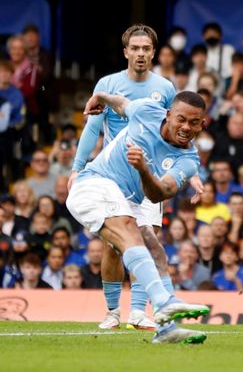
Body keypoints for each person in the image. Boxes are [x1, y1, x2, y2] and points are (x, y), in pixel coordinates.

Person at [67, 90, 210, 344]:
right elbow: (122, 104)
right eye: (181, 119)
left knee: (155, 249)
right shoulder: (146, 110)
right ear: (168, 115)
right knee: (129, 231)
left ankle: (167, 329)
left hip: (129, 199)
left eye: (194, 122)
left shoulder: (188, 160)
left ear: (203, 123)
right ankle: (163, 302)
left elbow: (159, 194)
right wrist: (101, 96)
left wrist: (143, 169)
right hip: (94, 183)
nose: (186, 127)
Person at [68, 24, 180, 332]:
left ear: (153, 53)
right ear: (126, 52)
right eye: (136, 48)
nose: (141, 54)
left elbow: (171, 134)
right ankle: (113, 312)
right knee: (115, 246)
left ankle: (139, 312)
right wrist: (77, 167)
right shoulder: (109, 83)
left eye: (147, 49)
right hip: (113, 176)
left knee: (149, 238)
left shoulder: (166, 88)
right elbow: (93, 127)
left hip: (148, 174)